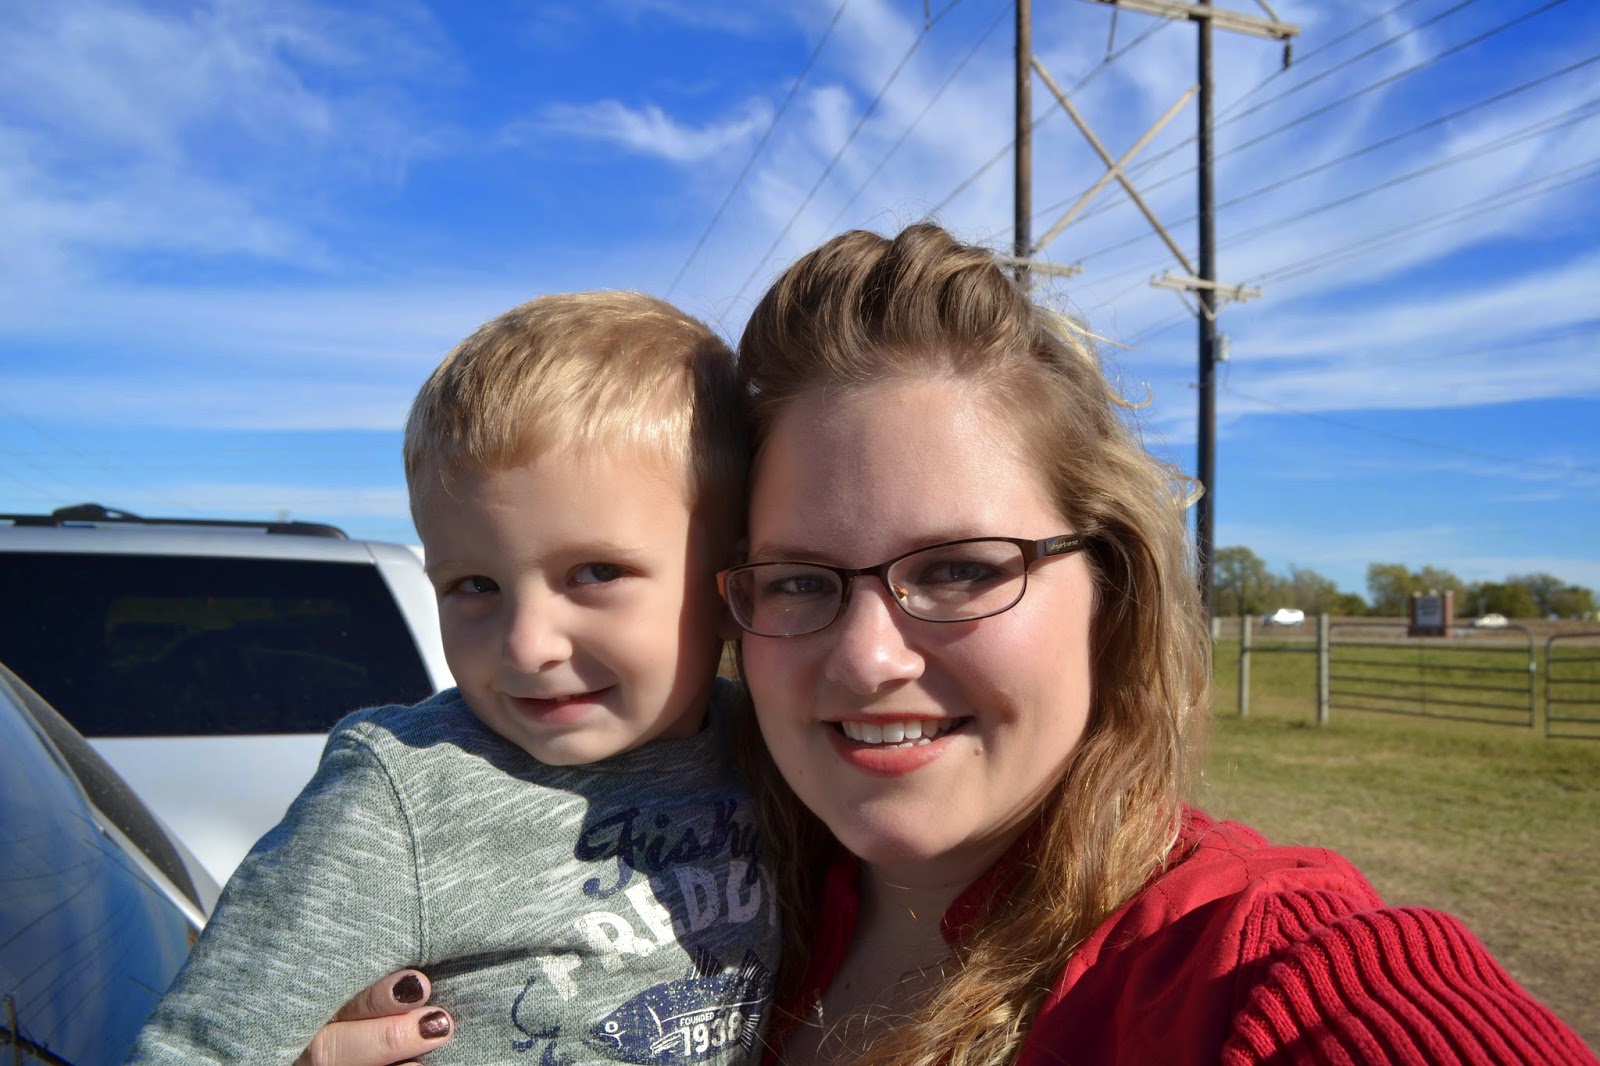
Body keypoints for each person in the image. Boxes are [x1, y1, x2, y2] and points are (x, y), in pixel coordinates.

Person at [297, 223, 1597, 1066]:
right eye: (800, 579)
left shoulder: (1244, 963)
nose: (868, 657)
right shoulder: (716, 891)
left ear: (1113, 588)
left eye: (963, 569)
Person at [129, 292, 780, 1063]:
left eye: (595, 572)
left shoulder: (768, 750)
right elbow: (197, 1049)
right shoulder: (404, 794)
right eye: (474, 585)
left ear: (733, 582)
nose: (526, 646)